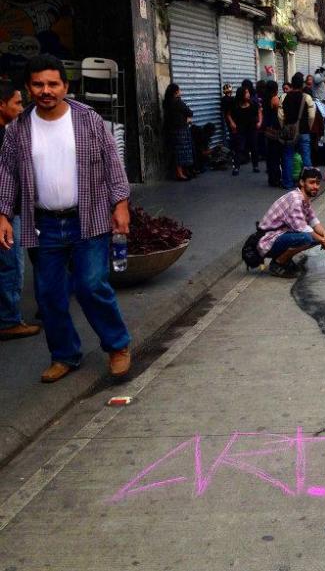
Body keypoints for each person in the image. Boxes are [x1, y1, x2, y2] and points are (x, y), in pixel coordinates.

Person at [0, 54, 132, 383]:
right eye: (38, 84)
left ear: (65, 86)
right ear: (28, 88)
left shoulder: (88, 119)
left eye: (52, 84)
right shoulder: (18, 129)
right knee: (48, 295)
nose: (46, 90)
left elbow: (113, 163)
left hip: (88, 217)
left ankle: (117, 345)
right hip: (42, 225)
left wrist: (121, 204)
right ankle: (65, 354)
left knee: (91, 285)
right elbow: (7, 175)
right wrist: (3, 214)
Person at [0, 82, 40, 340]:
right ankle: (9, 320)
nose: (21, 108)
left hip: (12, 210)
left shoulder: (9, 132)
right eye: (17, 102)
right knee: (11, 265)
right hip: (6, 213)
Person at [258, 167, 325, 279]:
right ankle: (278, 263)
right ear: (302, 182)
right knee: (306, 238)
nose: (315, 186)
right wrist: (323, 240)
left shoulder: (304, 198)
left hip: (280, 236)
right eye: (312, 182)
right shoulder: (296, 200)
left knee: (316, 237)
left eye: (318, 183)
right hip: (267, 241)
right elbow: (303, 229)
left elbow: (313, 221)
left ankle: (285, 258)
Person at [278, 73, 318, 189]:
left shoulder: (284, 97)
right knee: (306, 156)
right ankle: (308, 183)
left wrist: (284, 126)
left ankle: (288, 183)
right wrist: (308, 127)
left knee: (288, 156)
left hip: (289, 132)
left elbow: (280, 115)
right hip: (304, 131)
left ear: (292, 84)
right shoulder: (307, 97)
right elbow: (312, 115)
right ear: (302, 85)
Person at [163, 84, 194, 181]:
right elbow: (190, 112)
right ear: (176, 92)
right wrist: (187, 118)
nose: (180, 91)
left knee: (177, 152)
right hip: (181, 130)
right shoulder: (178, 102)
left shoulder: (166, 102)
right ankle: (180, 174)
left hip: (171, 130)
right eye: (179, 90)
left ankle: (181, 172)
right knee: (182, 152)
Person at [230, 85, 261, 176]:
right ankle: (236, 167)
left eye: (248, 92)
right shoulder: (236, 106)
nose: (248, 94)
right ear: (241, 95)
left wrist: (259, 122)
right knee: (239, 148)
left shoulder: (253, 104)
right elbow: (228, 114)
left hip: (252, 128)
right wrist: (232, 123)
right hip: (241, 129)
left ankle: (255, 166)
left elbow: (259, 112)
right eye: (246, 93)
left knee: (254, 147)